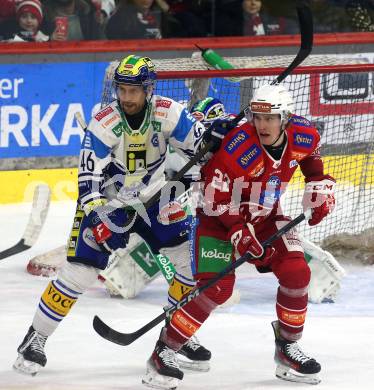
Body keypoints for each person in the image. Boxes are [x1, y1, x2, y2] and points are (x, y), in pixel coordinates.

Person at [13, 55, 229, 376]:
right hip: (109, 202)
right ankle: (35, 338)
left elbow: (199, 147)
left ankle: (176, 337)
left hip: (156, 200)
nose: (126, 97)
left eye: (133, 91)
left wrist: (216, 139)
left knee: (187, 266)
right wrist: (99, 218)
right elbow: (88, 179)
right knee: (81, 272)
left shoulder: (168, 112)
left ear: (148, 89)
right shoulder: (104, 121)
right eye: (122, 90)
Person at [143, 83, 336, 389]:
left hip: (266, 216)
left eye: (270, 118)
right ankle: (164, 351)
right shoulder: (239, 146)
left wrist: (319, 187)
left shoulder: (304, 134)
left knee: (297, 273)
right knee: (216, 289)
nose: (262, 125)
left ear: (285, 118)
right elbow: (212, 196)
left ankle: (287, 349)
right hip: (218, 220)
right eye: (257, 118)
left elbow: (311, 161)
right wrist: (237, 231)